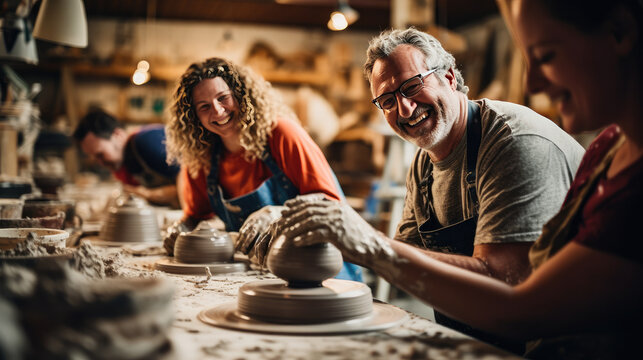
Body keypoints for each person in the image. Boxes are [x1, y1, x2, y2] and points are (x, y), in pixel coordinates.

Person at [269, 0, 643, 358]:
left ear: (449, 76)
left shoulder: (514, 143)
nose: (404, 108)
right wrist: (344, 243)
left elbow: (510, 288)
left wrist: (371, 246)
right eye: (387, 101)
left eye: (412, 86)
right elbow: (408, 263)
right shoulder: (426, 162)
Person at [162, 57, 362, 282]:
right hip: (263, 274)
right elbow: (197, 217)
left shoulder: (282, 134)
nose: (217, 111)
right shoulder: (201, 157)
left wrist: (277, 213)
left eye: (223, 98)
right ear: (194, 117)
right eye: (204, 106)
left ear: (241, 94)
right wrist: (179, 229)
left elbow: (331, 204)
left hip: (322, 270)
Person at [73, 108, 181, 208]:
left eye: (100, 154)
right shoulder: (125, 163)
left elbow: (190, 183)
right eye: (95, 158)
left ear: (118, 135)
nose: (100, 163)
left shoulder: (145, 141)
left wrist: (147, 194)